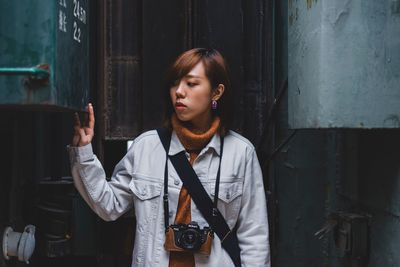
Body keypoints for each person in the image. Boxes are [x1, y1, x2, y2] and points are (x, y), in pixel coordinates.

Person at [68, 48, 270, 267]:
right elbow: (109, 205)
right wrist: (84, 152)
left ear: (216, 92)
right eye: (175, 83)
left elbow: (254, 237)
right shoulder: (147, 147)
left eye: (191, 84)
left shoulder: (240, 153)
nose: (179, 92)